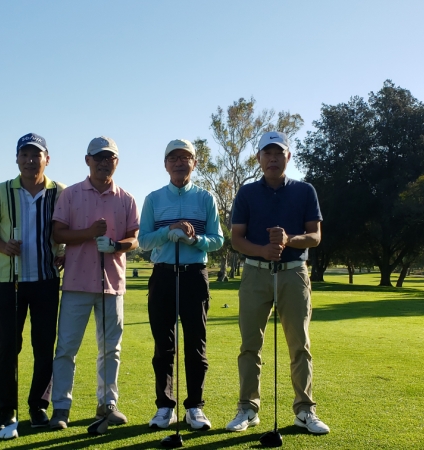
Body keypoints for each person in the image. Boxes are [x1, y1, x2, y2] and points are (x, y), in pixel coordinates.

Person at [226, 131, 330, 434]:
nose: (273, 159)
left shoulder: (305, 191)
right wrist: (263, 251)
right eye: (267, 153)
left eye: (278, 153)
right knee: (250, 345)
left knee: (300, 345)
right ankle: (247, 408)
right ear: (258, 158)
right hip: (255, 273)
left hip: (294, 273)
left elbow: (315, 236)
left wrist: (288, 240)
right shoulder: (247, 193)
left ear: (288, 157)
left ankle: (305, 410)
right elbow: (236, 239)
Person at [49, 136, 139, 430]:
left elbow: (134, 239)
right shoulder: (71, 195)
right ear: (87, 160)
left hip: (112, 285)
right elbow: (58, 233)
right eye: (98, 157)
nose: (104, 162)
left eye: (109, 158)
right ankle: (61, 407)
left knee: (111, 349)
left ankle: (107, 403)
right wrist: (89, 233)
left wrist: (116, 245)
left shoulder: (126, 198)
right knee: (66, 348)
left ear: (116, 162)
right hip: (76, 283)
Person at [0, 132, 65, 430]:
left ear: (47, 159)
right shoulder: (2, 191)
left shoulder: (60, 192)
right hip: (10, 281)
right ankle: (6, 410)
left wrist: (64, 252)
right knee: (7, 348)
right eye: (24, 155)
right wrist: (3, 247)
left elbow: (66, 231)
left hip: (46, 280)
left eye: (36, 155)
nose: (30, 160)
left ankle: (38, 407)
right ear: (17, 159)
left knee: (44, 347)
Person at [139, 139, 224, 431]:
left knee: (196, 344)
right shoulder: (153, 199)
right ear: (166, 165)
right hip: (163, 275)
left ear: (194, 163)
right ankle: (165, 407)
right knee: (164, 346)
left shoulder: (205, 198)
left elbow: (217, 240)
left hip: (194, 275)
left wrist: (194, 239)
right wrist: (169, 231)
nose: (179, 162)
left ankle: (195, 407)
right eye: (173, 158)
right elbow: (144, 241)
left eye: (185, 157)